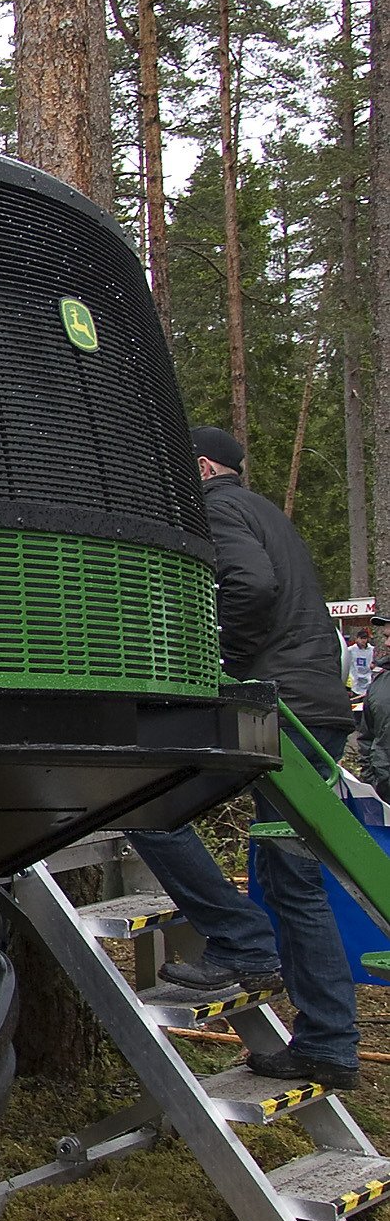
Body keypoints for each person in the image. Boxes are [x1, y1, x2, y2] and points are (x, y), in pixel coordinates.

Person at [126, 426, 362, 1089]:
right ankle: (330, 1046)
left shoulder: (218, 509)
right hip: (315, 711)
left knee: (147, 805)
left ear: (202, 467)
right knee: (295, 882)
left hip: (271, 711)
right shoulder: (265, 513)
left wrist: (217, 660)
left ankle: (241, 943)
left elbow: (248, 588)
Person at [359, 613, 390, 796]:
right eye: (386, 636)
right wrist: (371, 781)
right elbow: (367, 736)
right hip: (384, 794)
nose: (387, 643)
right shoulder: (379, 684)